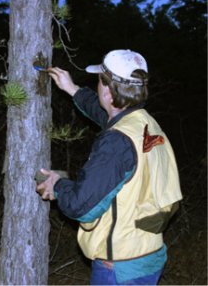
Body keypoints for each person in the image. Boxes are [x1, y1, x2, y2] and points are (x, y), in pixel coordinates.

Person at [36, 49, 183, 285]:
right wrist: (72, 89)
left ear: (107, 89)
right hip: (148, 254)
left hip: (119, 267)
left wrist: (58, 185)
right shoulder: (146, 124)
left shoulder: (116, 143)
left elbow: (81, 206)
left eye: (99, 80)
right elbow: (106, 115)